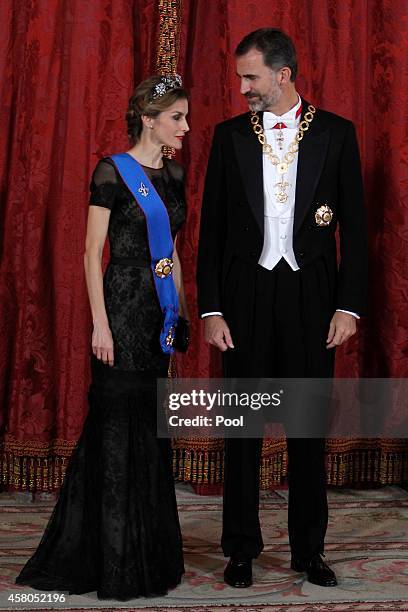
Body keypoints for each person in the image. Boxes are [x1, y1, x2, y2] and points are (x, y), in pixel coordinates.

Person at [197, 29, 367, 588]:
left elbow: (357, 233)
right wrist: (212, 310)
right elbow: (212, 231)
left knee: (306, 429)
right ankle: (241, 547)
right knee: (242, 431)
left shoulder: (338, 134)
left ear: (283, 75)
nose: (242, 87)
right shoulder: (228, 138)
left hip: (311, 296)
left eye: (251, 77)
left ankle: (308, 550)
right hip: (245, 294)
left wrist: (349, 306)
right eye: (242, 77)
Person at [16, 74, 190, 600]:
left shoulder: (175, 175)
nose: (184, 126)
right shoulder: (112, 171)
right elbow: (92, 253)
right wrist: (100, 324)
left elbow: (172, 251)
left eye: (184, 116)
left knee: (150, 428)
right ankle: (110, 556)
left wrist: (177, 312)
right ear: (149, 119)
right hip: (119, 305)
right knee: (114, 430)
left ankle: (148, 553)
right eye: (177, 116)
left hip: (156, 312)